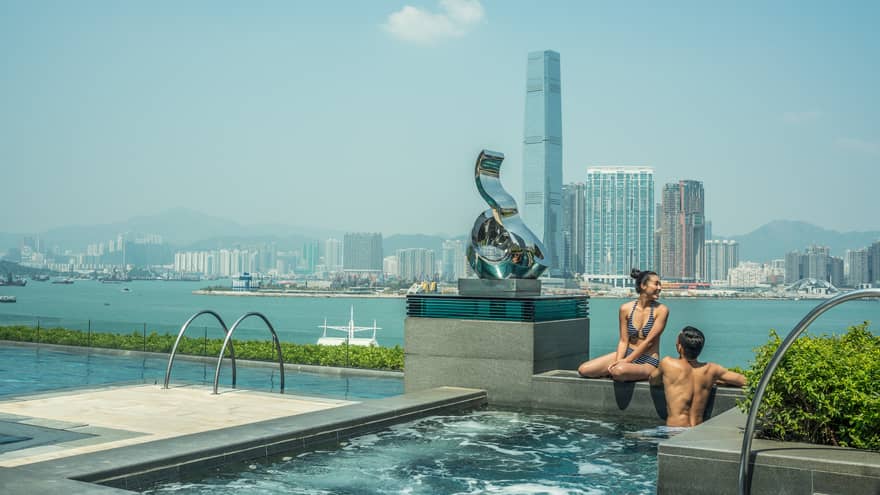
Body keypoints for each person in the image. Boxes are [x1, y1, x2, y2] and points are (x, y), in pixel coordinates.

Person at [577, 269, 669, 381]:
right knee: (584, 370)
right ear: (643, 285)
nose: (660, 288)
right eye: (656, 284)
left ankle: (622, 370)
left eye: (660, 284)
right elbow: (623, 341)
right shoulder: (625, 309)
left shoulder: (661, 310)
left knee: (618, 371)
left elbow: (648, 341)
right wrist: (618, 360)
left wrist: (626, 361)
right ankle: (621, 370)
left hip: (648, 360)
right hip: (627, 354)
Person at [649, 326, 747, 427]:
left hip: (675, 431)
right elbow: (745, 381)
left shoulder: (668, 363)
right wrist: (718, 381)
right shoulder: (712, 370)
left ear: (679, 347)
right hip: (696, 430)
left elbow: (653, 380)